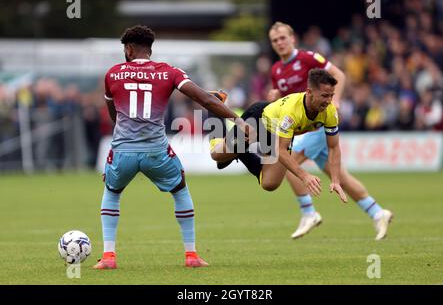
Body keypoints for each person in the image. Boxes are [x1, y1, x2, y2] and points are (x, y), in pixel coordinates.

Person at [94, 25, 250, 269]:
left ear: (128, 49)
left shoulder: (112, 74)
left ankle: (108, 257)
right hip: (156, 152)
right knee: (180, 190)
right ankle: (191, 256)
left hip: (123, 151)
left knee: (112, 193)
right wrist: (238, 120)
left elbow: (114, 115)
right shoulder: (168, 72)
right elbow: (205, 99)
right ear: (150, 49)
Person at [268, 22, 393, 241]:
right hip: (299, 128)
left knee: (289, 162)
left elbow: (339, 75)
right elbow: (285, 100)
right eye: (275, 40)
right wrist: (274, 98)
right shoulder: (276, 69)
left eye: (283, 38)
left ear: (292, 38)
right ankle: (377, 212)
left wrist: (336, 102)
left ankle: (308, 212)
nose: (279, 43)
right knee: (339, 177)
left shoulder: (308, 58)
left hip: (317, 124)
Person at [210, 68, 348, 204]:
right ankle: (215, 103)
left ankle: (241, 151)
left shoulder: (330, 112)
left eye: (331, 95)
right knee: (217, 156)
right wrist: (304, 176)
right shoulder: (292, 112)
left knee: (270, 184)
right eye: (324, 95)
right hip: (257, 121)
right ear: (309, 92)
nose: (329, 101)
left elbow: (334, 147)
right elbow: (281, 150)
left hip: (278, 133)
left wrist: (335, 180)